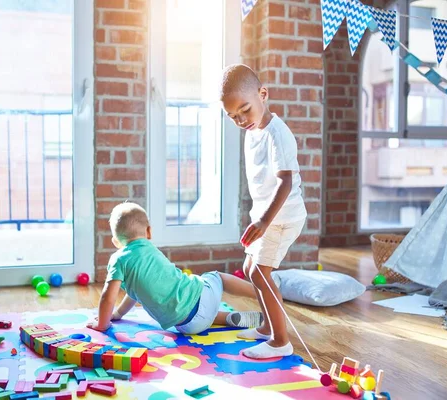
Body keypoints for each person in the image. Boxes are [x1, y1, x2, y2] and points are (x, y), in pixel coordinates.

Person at [219, 64, 307, 359]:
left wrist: (263, 221)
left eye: (245, 109)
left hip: (283, 217)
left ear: (263, 94)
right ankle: (268, 327)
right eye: (233, 116)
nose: (241, 119)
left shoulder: (277, 135)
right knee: (248, 269)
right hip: (267, 216)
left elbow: (285, 181)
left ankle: (280, 341)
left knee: (259, 272)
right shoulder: (253, 131)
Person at [87, 202, 263, 334]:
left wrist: (107, 320)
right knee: (217, 277)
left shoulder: (119, 260)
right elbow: (129, 295)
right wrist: (113, 316)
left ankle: (226, 318)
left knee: (191, 310)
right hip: (202, 299)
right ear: (148, 232)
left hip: (187, 326)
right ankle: (260, 292)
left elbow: (110, 297)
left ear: (116, 242)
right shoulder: (150, 250)